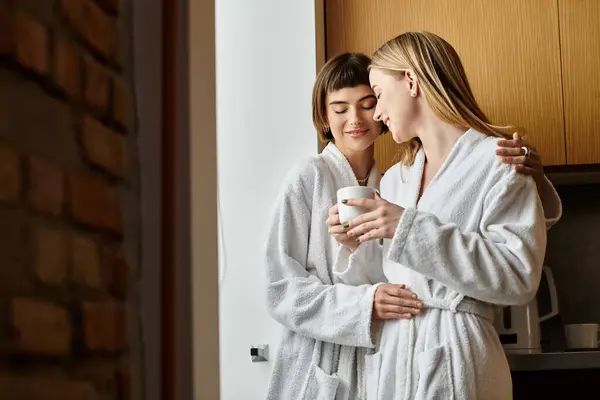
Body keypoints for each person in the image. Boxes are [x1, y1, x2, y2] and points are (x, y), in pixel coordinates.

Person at [265, 51, 560, 399]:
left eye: (370, 101)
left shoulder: (392, 180)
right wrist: (363, 300)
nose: (364, 116)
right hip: (329, 358)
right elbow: (281, 289)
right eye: (340, 109)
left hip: (401, 352)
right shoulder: (318, 177)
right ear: (324, 118)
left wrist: (532, 183)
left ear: (408, 85)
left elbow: (399, 273)